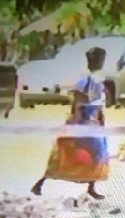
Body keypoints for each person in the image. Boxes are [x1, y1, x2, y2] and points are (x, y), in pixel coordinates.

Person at [31, 47, 109, 199]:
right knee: (67, 153)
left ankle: (91, 186)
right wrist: (77, 123)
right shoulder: (85, 80)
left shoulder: (98, 79)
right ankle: (41, 182)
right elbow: (78, 102)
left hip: (94, 119)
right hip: (84, 120)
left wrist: (100, 119)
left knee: (97, 154)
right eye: (98, 59)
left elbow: (99, 103)